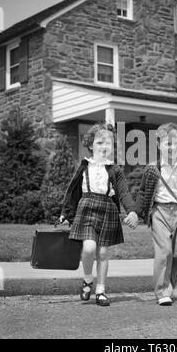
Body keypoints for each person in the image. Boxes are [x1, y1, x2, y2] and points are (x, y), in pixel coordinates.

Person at [125, 123, 177, 306]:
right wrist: (135, 213)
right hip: (159, 212)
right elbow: (144, 193)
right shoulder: (152, 169)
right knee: (164, 252)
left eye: (176, 143)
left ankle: (174, 279)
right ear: (159, 145)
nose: (172, 147)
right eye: (167, 144)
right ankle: (162, 290)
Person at [59, 123, 138, 306]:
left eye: (108, 143)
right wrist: (65, 214)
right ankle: (87, 280)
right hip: (86, 208)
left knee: (102, 253)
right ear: (90, 145)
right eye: (100, 142)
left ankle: (101, 291)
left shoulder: (114, 169)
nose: (104, 146)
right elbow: (72, 192)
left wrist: (132, 211)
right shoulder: (84, 166)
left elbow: (124, 193)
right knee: (88, 249)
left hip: (107, 210)